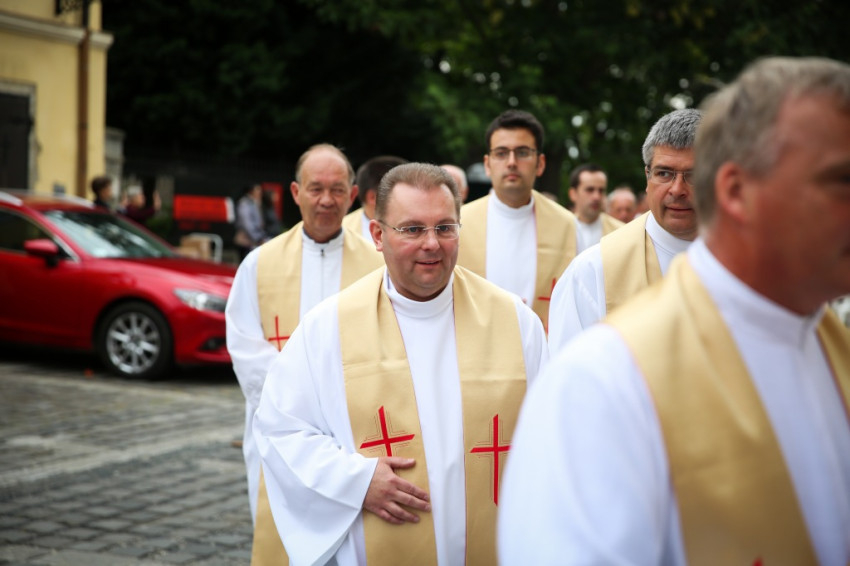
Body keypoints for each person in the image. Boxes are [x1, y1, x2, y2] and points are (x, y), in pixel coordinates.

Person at [499, 56, 850, 565]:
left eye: (690, 175)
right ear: (734, 191)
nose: (678, 190)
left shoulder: (826, 336)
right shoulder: (602, 371)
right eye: (839, 180)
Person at [254, 163, 548, 565]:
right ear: (378, 235)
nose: (432, 244)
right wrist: (356, 482)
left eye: (445, 228)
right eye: (412, 229)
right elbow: (282, 428)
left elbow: (552, 434)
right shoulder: (328, 327)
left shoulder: (515, 322)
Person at [225, 144, 384, 547]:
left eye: (337, 189)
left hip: (352, 432)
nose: (326, 200)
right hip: (279, 428)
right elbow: (245, 347)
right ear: (296, 193)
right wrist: (303, 406)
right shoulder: (259, 264)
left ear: (352, 195)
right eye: (316, 189)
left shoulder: (380, 266)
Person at [548, 108, 701, 353]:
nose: (677, 189)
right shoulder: (593, 271)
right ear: (647, 177)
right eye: (664, 173)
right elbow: (568, 372)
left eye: (693, 175)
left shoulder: (754, 264)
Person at [457, 109, 578, 331]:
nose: (512, 162)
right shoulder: (459, 222)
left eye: (522, 152)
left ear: (540, 163)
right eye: (501, 153)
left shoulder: (566, 224)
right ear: (487, 164)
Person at [343, 155, 408, 241]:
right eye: (403, 193)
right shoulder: (342, 230)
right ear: (373, 197)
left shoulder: (419, 224)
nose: (410, 199)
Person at [568, 163, 624, 252]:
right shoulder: (560, 230)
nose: (596, 197)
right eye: (590, 190)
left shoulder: (620, 231)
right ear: (573, 194)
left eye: (601, 190)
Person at [234, 184, 268, 261]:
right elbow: (247, 223)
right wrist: (257, 238)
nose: (260, 192)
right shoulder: (244, 203)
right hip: (246, 240)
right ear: (251, 191)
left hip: (255, 239)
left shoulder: (255, 202)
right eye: (257, 190)